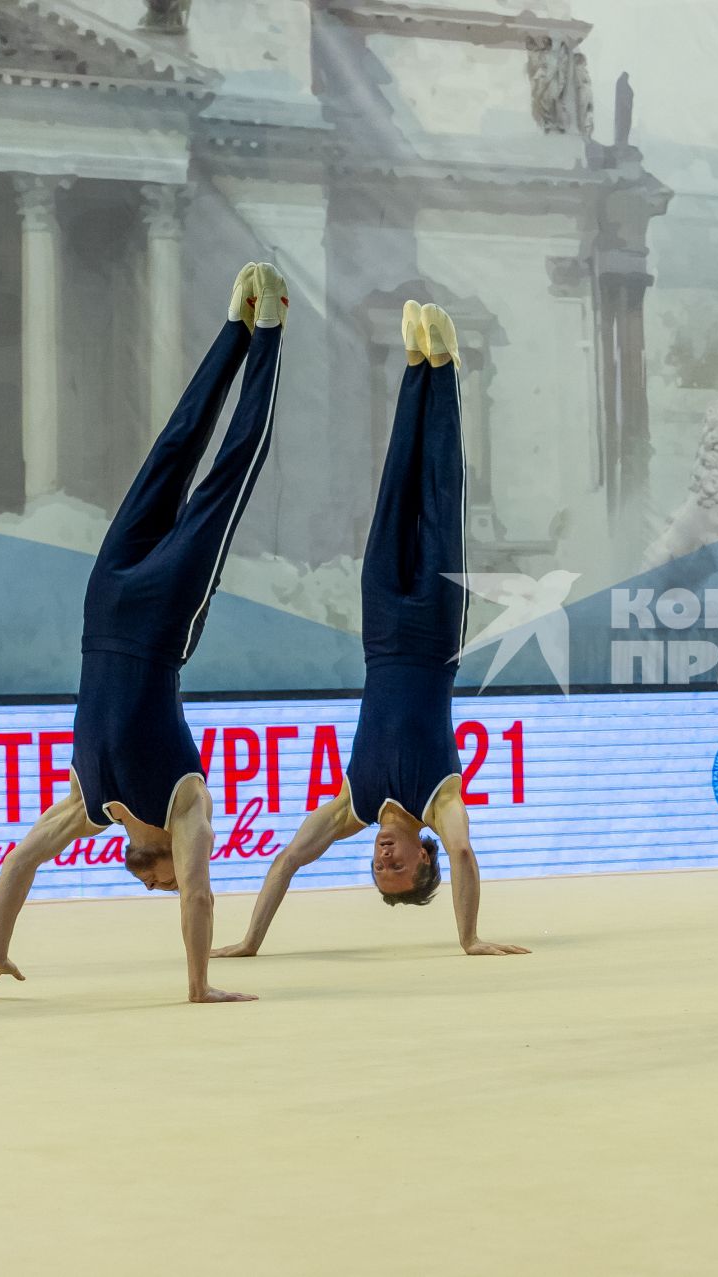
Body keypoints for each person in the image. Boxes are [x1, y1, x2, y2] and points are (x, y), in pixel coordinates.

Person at [0, 263, 290, 1003]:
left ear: (160, 861)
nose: (190, 866)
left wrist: (200, 985)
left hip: (160, 613)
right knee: (173, 453)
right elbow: (18, 862)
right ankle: (237, 323)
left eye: (171, 870)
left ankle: (262, 329)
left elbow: (197, 897)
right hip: (103, 604)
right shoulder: (87, 801)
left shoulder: (185, 805)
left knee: (226, 472)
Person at [212, 303, 529, 960]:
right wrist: (467, 937)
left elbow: (286, 863)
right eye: (398, 864)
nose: (383, 855)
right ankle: (445, 373)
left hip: (383, 629)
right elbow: (466, 852)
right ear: (423, 854)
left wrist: (248, 940)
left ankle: (415, 364)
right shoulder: (442, 801)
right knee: (439, 496)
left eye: (378, 866)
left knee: (392, 494)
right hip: (437, 633)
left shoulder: (350, 805)